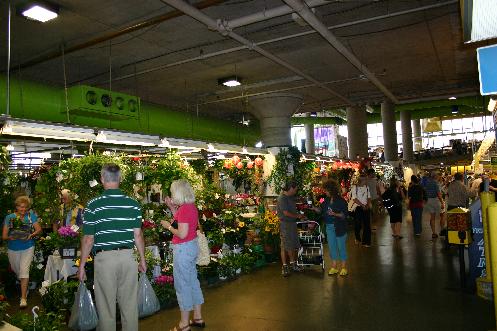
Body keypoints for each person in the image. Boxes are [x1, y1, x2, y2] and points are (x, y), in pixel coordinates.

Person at [77, 164, 146, 331]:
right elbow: (138, 235)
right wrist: (142, 259)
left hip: (104, 260)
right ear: (120, 179)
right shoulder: (133, 204)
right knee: (129, 305)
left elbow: (88, 239)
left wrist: (82, 265)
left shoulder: (93, 205)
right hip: (129, 258)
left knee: (106, 306)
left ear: (102, 179)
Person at [161, 179, 205, 331]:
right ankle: (198, 317)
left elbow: (181, 232)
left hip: (183, 249)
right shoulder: (189, 207)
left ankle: (184, 323)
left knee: (182, 286)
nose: (172, 195)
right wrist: (172, 208)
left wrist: (168, 227)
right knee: (192, 281)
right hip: (190, 247)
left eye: (173, 192)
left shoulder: (185, 209)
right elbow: (180, 223)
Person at [2, 196, 42, 308]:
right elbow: (4, 236)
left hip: (28, 247)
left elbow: (38, 229)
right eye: (21, 207)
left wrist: (31, 235)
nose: (23, 210)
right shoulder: (10, 218)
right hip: (13, 248)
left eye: (25, 207)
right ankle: (25, 285)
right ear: (16, 207)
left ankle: (23, 298)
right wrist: (11, 237)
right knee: (17, 270)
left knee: (24, 271)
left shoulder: (31, 216)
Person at [318, 179, 348, 276]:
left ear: (331, 190)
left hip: (339, 227)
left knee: (341, 247)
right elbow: (320, 210)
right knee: (332, 247)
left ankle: (343, 267)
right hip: (329, 227)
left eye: (326, 190)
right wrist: (313, 208)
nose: (325, 192)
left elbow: (344, 215)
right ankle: (334, 266)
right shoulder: (326, 201)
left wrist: (335, 214)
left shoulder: (341, 201)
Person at [277, 180, 306, 277]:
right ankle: (285, 266)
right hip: (285, 224)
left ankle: (293, 264)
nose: (295, 191)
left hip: (292, 224)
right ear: (291, 188)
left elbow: (292, 210)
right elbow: (285, 213)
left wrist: (299, 216)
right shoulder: (282, 198)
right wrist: (298, 216)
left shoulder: (290, 197)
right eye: (295, 189)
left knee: (292, 244)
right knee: (285, 244)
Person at [350, 173, 372, 247]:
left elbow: (369, 197)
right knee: (358, 224)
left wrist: (367, 205)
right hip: (358, 208)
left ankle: (366, 242)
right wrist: (362, 205)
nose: (366, 180)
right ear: (362, 180)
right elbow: (354, 199)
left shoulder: (367, 187)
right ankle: (357, 237)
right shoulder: (354, 187)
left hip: (366, 207)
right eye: (365, 179)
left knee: (367, 225)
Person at [422, 172, 445, 239]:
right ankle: (442, 230)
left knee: (432, 217)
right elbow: (438, 193)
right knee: (442, 214)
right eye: (438, 176)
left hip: (429, 200)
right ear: (435, 177)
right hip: (436, 200)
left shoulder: (427, 183)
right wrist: (442, 202)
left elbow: (424, 191)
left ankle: (434, 233)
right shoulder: (435, 183)